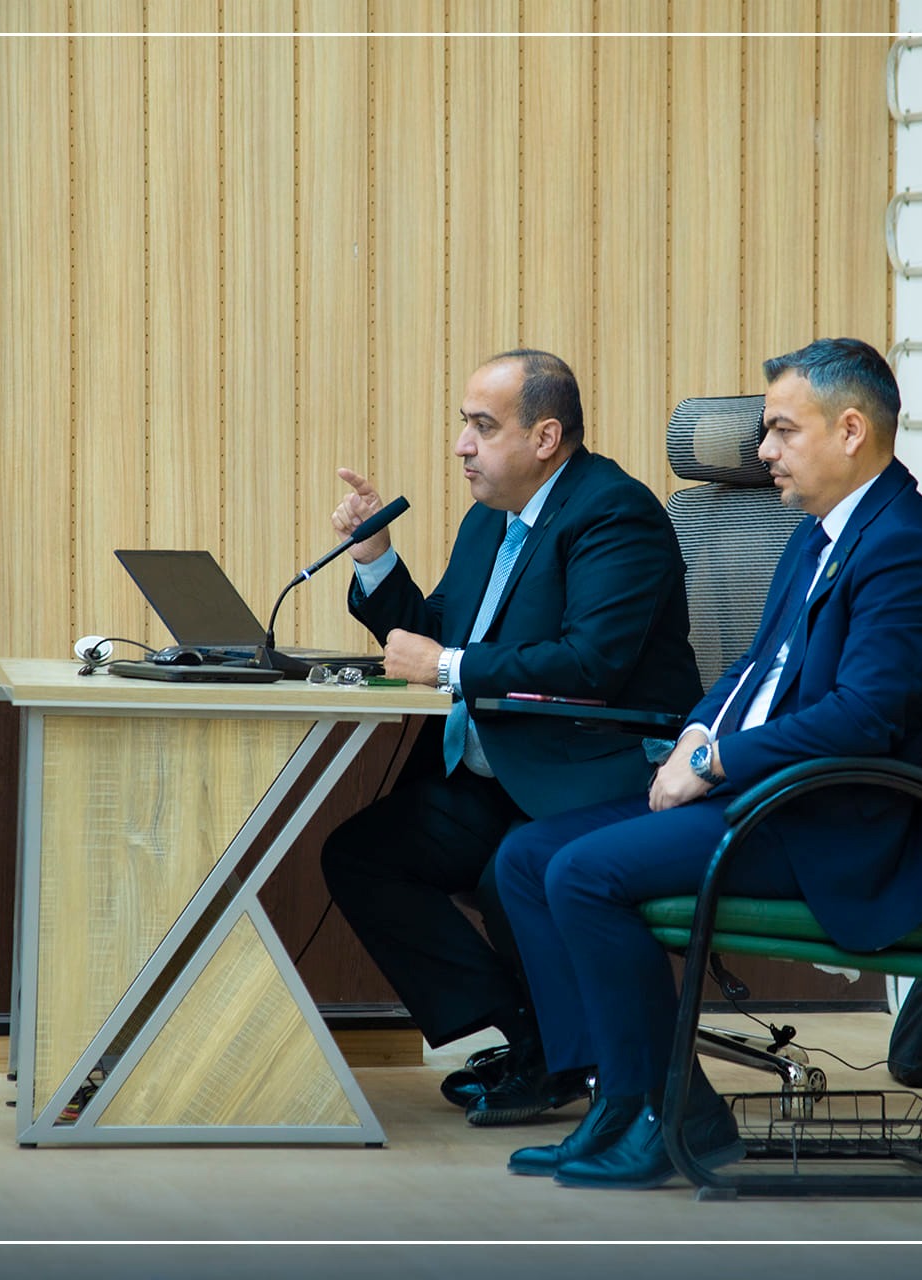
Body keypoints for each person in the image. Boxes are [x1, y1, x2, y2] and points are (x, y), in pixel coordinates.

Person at [491, 338, 922, 1188]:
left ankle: (673, 1111)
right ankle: (619, 1100)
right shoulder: (821, 532)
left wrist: (717, 764)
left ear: (851, 430)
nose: (763, 451)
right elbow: (757, 667)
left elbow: (863, 718)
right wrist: (696, 733)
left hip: (825, 824)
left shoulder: (901, 547)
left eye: (783, 431)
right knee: (526, 858)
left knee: (583, 875)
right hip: (768, 798)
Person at [320, 348, 701, 1127]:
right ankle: (531, 1037)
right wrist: (375, 560)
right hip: (504, 770)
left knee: (509, 873)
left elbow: (590, 663)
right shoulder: (490, 519)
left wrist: (446, 664)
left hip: (593, 770)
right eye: (465, 423)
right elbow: (439, 635)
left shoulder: (614, 515)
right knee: (361, 855)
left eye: (484, 426)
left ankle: (562, 1056)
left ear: (545, 437)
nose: (462, 444)